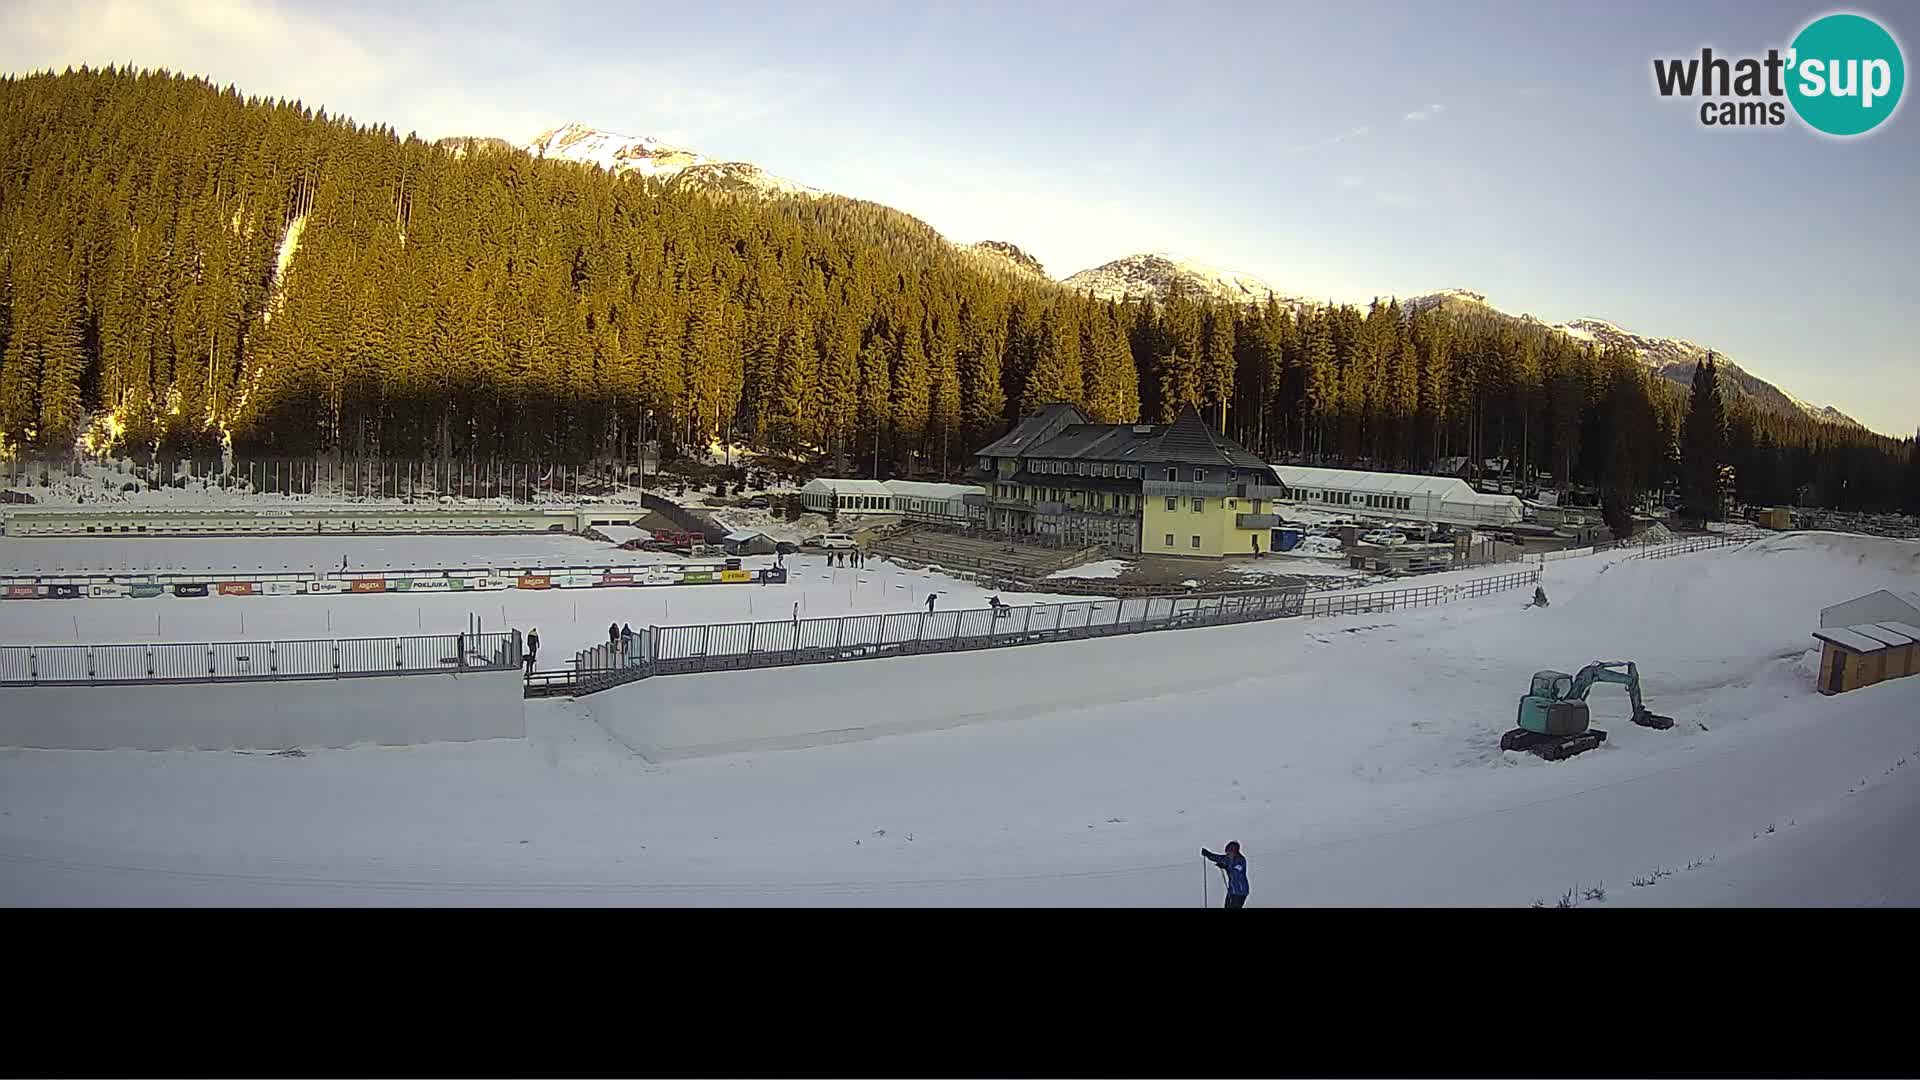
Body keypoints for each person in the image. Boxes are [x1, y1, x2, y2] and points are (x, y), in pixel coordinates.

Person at [1202, 842, 1249, 909]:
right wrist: (1207, 854)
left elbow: (1237, 871)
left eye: (1229, 851)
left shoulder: (1241, 860)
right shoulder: (1227, 858)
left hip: (1241, 891)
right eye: (1227, 851)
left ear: (1235, 851)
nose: (1228, 853)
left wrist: (1226, 866)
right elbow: (1216, 857)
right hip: (1232, 891)